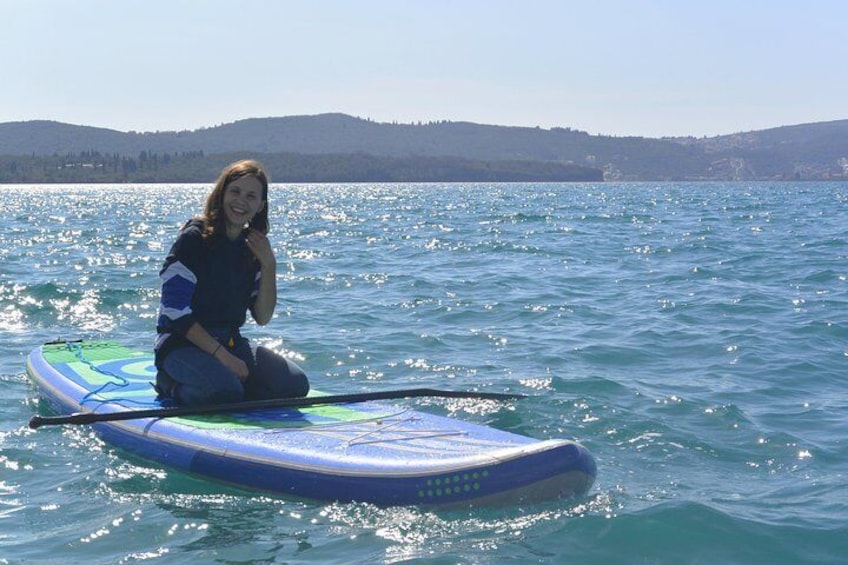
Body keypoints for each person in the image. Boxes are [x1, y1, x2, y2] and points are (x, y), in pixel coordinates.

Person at [153, 159, 309, 406]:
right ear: (221, 194)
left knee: (294, 385)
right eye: (235, 191)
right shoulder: (193, 240)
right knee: (225, 394)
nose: (241, 201)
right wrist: (224, 358)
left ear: (260, 206)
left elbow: (263, 317)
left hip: (230, 342)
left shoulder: (253, 247)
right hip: (182, 346)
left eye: (251, 196)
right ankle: (169, 384)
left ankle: (229, 383)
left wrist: (269, 265)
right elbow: (175, 312)